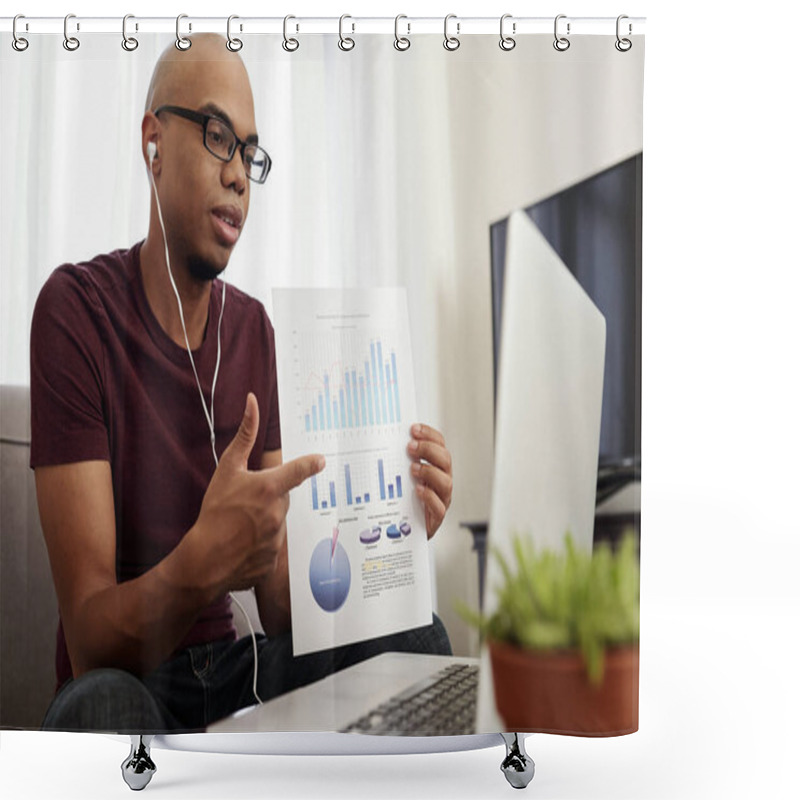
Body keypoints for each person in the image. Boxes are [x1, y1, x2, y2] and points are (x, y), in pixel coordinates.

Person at [31, 34, 454, 734]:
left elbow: (286, 610)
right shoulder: (76, 310)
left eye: (249, 154)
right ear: (153, 141)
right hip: (127, 679)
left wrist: (390, 540)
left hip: (231, 674)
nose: (239, 177)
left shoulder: (257, 331)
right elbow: (88, 641)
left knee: (418, 641)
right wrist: (203, 560)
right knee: (102, 706)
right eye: (218, 136)